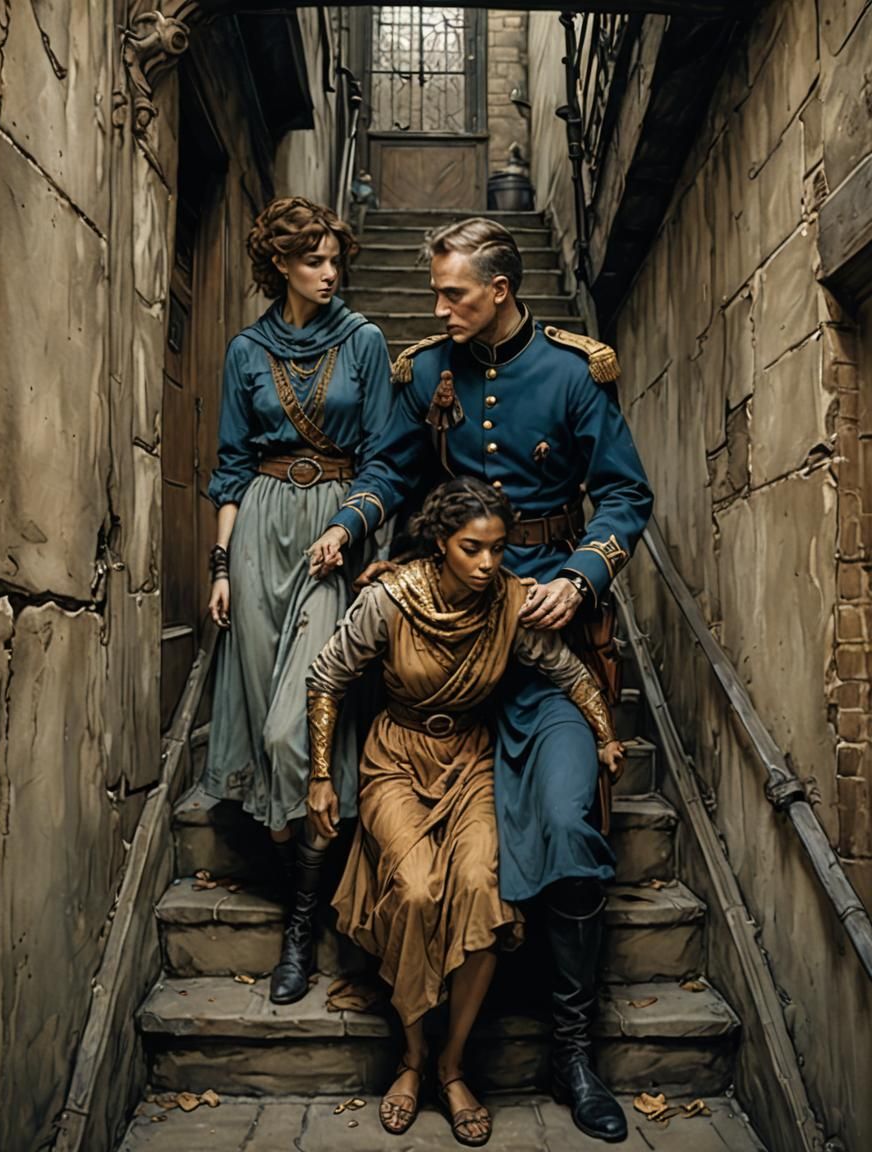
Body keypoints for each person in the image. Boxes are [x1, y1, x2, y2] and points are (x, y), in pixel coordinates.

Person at [307, 218, 653, 1143]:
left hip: (545, 646)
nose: (439, 308)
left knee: (575, 826)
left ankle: (573, 1054)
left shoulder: (574, 376)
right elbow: (393, 466)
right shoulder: (426, 375)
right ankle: (407, 1028)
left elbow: (625, 494)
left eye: (453, 293)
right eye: (435, 293)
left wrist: (583, 572)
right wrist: (355, 522)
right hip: (443, 661)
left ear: (499, 289)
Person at [305, 478, 625, 1147]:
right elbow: (326, 678)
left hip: (473, 760)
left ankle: (452, 1067)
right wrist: (318, 780)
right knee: (419, 891)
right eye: (472, 549)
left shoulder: (510, 602)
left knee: (482, 887)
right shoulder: (389, 598)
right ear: (441, 545)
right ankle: (412, 1057)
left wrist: (603, 733)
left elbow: (569, 672)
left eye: (498, 549)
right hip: (397, 758)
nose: (487, 563)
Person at [199, 195, 392, 1006]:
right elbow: (232, 464)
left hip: (332, 540)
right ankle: (304, 900)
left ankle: (304, 928)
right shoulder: (246, 350)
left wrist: (350, 527)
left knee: (297, 731)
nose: (329, 271)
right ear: (279, 264)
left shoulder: (366, 343)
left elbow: (387, 459)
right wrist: (219, 565)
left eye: (333, 258)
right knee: (266, 742)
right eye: (313, 259)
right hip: (259, 537)